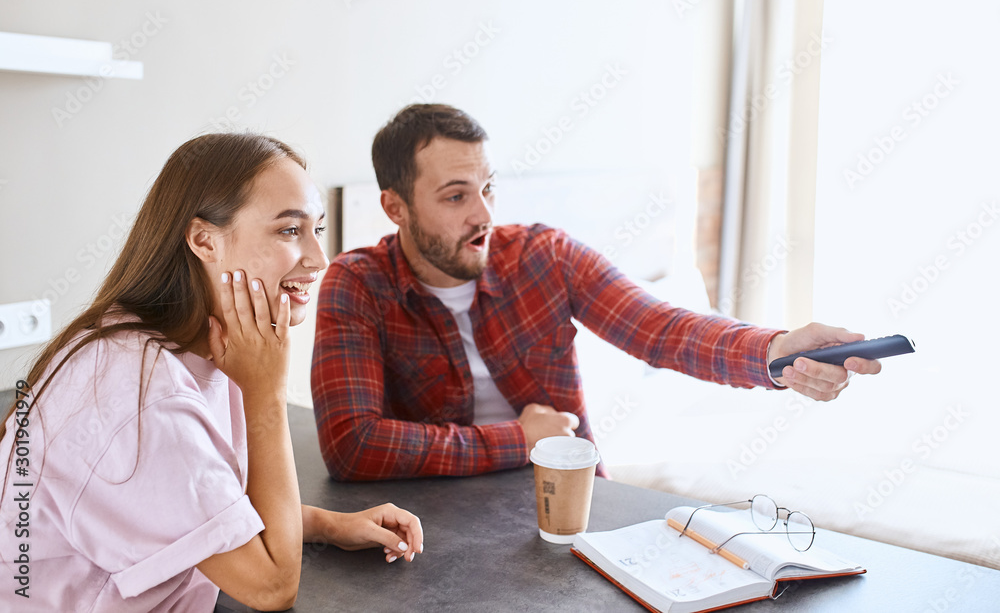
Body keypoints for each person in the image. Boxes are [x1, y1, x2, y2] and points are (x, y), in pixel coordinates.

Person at [310, 104, 882, 482]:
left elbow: (662, 329)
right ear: (395, 208)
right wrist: (519, 440)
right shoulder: (357, 284)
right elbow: (352, 446)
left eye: (487, 188)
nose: (484, 213)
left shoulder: (544, 256)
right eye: (456, 196)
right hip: (430, 523)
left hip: (568, 502)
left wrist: (779, 348)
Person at [0, 133, 423, 612]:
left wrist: (326, 525)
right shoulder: (145, 397)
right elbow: (271, 587)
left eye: (317, 230)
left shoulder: (166, 339)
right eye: (289, 231)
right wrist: (266, 395)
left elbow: (195, 506)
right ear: (204, 240)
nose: (318, 259)